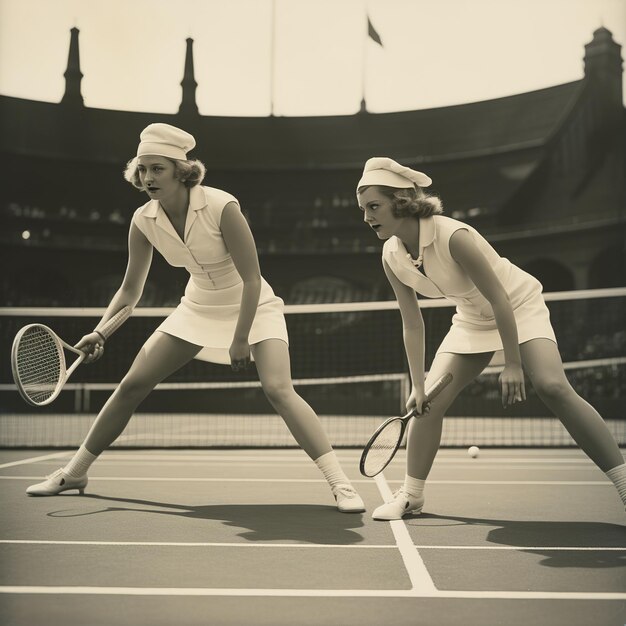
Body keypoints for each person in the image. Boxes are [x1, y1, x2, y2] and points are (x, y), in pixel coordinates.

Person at [26, 123, 365, 514]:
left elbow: (252, 279)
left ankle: (340, 484)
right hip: (196, 307)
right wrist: (100, 330)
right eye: (142, 169)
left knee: (278, 389)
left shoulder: (222, 206)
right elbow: (130, 290)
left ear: (180, 171)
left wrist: (240, 338)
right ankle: (75, 471)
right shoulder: (143, 219)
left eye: (157, 169)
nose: (148, 178)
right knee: (132, 385)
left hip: (252, 305)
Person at [356, 157, 626, 520]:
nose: (367, 217)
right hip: (470, 319)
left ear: (401, 202)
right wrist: (419, 386)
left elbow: (501, 299)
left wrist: (513, 363)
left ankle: (624, 484)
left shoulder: (454, 236)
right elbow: (412, 323)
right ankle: (412, 496)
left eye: (374, 207)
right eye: (364, 210)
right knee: (427, 406)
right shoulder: (391, 255)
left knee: (552, 387)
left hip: (517, 306)